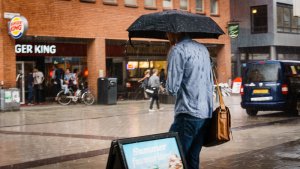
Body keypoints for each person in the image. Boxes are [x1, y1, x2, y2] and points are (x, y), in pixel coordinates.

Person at [166, 32, 213, 169]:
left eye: (167, 32)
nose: (166, 35)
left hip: (188, 113)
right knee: (192, 158)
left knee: (173, 156)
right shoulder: (203, 49)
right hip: (205, 114)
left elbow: (172, 88)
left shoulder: (178, 50)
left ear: (174, 32)